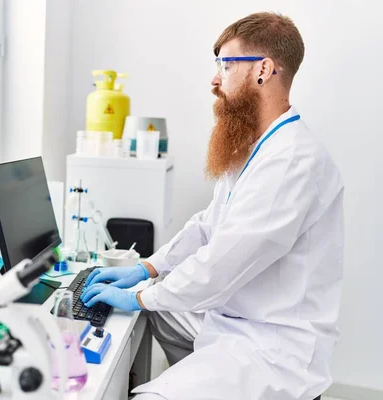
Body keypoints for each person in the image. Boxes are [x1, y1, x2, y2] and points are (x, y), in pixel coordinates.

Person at [81, 12, 344, 400]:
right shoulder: (256, 146)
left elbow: (220, 266)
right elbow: (207, 226)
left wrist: (139, 294)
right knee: (159, 313)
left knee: (149, 392)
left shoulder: (291, 162)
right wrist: (147, 267)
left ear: (263, 70)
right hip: (238, 315)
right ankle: (195, 376)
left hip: (271, 346)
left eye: (225, 63)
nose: (215, 78)